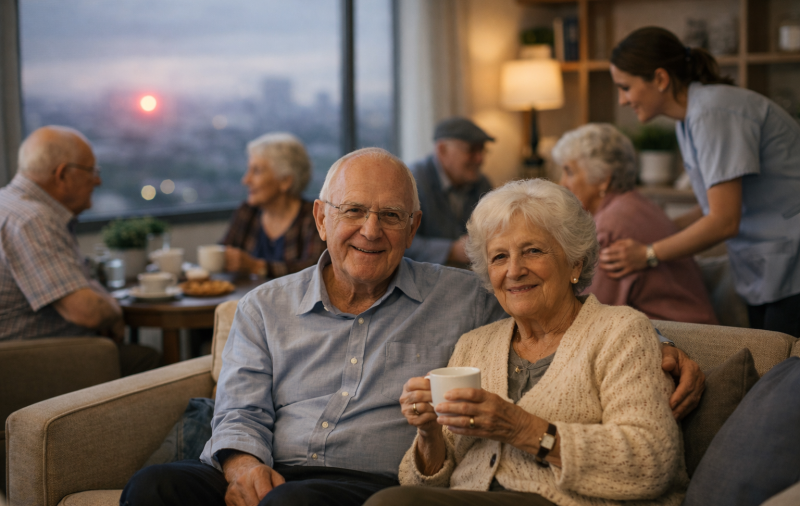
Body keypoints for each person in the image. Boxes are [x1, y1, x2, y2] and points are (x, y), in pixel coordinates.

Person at [120, 149, 701, 506]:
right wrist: (242, 464)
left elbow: (557, 305)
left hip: (366, 485)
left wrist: (663, 345)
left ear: (412, 225)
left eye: (391, 216)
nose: (371, 231)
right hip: (273, 469)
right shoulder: (263, 307)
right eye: (353, 212)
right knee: (156, 488)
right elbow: (240, 408)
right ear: (322, 218)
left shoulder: (465, 298)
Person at [368, 179, 687, 506]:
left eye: (533, 251)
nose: (514, 270)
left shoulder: (621, 332)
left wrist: (521, 428)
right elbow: (417, 482)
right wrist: (429, 432)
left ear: (575, 262)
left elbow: (651, 463)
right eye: (499, 257)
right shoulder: (474, 344)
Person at [602, 26, 800, 337]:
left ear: (660, 79)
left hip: (793, 262)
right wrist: (657, 230)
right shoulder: (690, 118)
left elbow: (723, 221)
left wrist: (648, 254)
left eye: (625, 87)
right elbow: (711, 205)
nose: (623, 100)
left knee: (786, 376)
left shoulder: (712, 112)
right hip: (772, 266)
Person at [0, 126, 159, 376]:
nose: (98, 180)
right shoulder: (33, 220)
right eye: (91, 171)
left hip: (20, 353)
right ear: (62, 174)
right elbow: (88, 312)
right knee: (149, 361)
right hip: (24, 365)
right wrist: (114, 312)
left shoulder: (9, 205)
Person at [553, 123, 717, 324]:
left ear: (603, 179)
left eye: (569, 172)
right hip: (691, 326)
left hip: (680, 337)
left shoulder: (609, 226)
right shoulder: (636, 204)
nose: (562, 184)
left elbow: (590, 313)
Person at [222, 132, 326, 278]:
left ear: (285, 181)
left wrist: (256, 267)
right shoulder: (246, 212)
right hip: (244, 300)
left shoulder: (314, 217)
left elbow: (315, 270)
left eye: (256, 171)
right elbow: (222, 253)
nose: (246, 180)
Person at [405, 117, 494, 266]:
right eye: (471, 150)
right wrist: (451, 251)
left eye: (482, 150)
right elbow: (398, 241)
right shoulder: (411, 182)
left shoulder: (482, 183)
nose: (480, 159)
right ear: (442, 149)